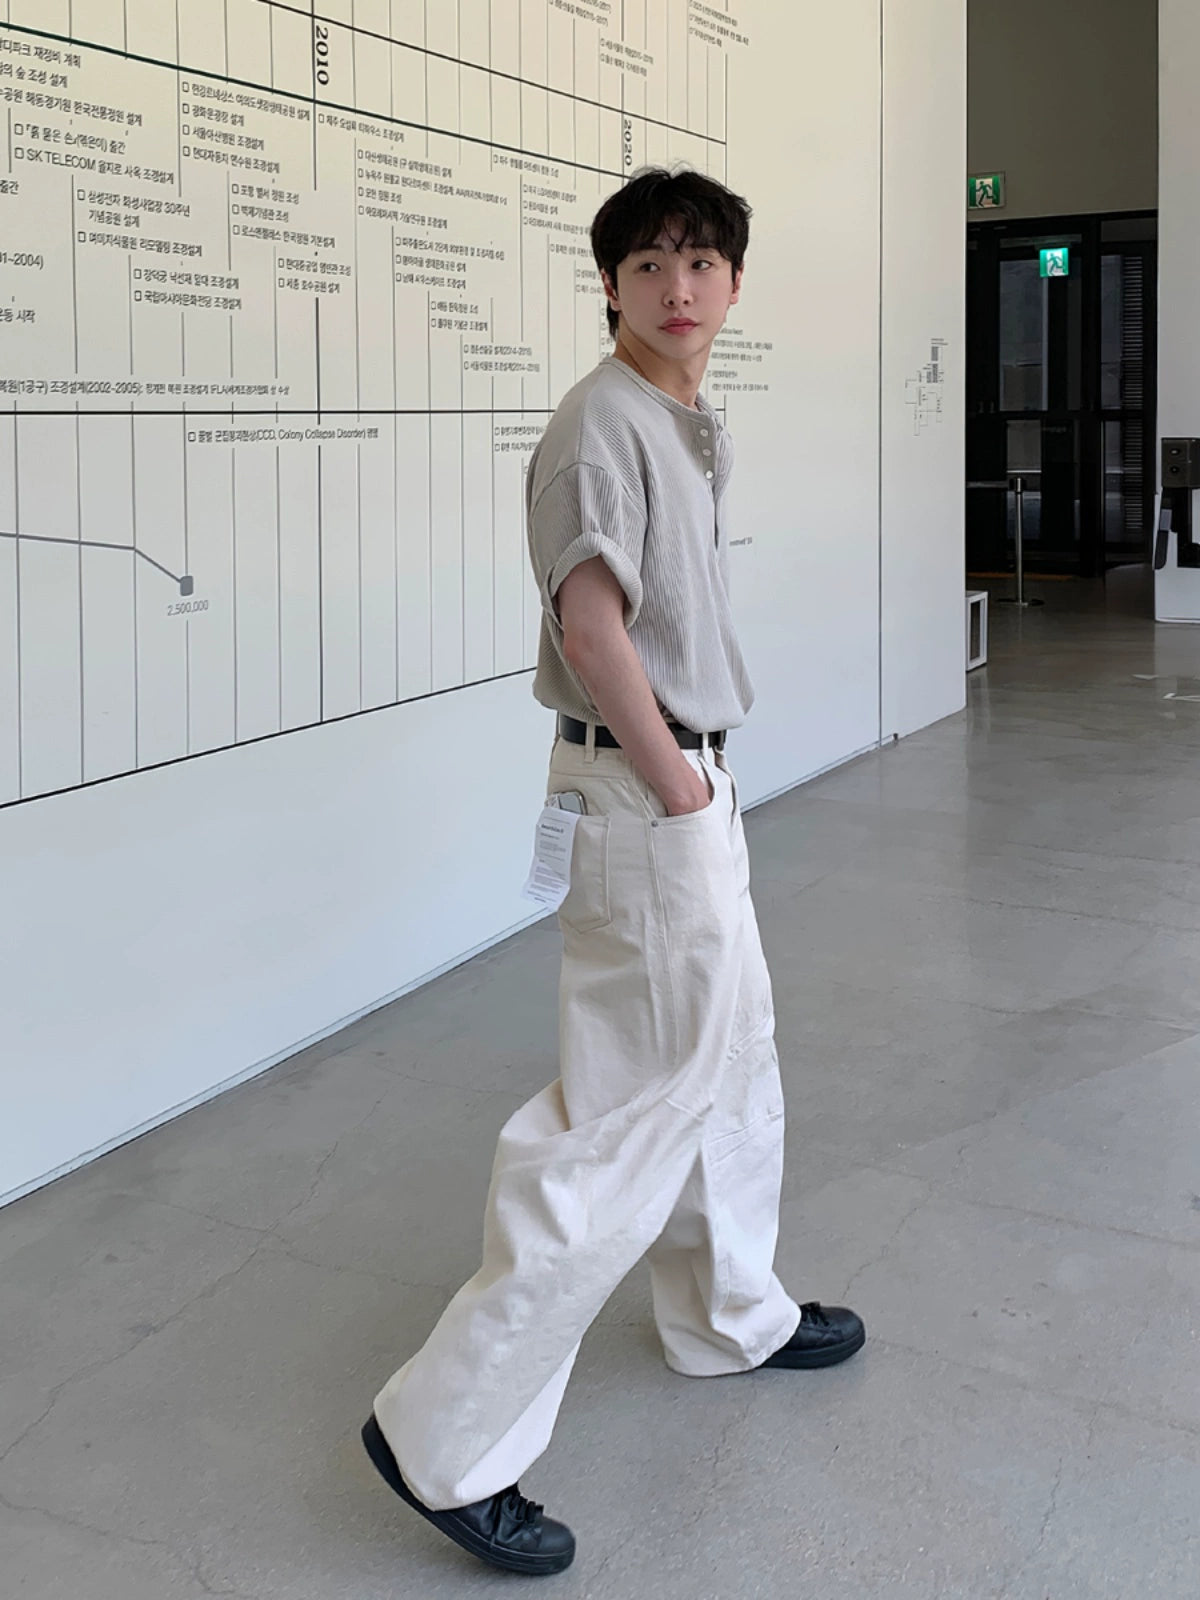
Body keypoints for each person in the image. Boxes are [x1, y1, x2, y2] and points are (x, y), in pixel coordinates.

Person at [361, 166, 866, 1578]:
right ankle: (444, 1438)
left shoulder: (683, 419)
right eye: (649, 265)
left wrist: (700, 781)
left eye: (701, 263)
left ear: (735, 284)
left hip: (686, 783)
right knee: (624, 1118)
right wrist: (678, 786)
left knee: (734, 1064)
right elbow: (594, 633)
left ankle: (728, 1316)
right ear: (610, 286)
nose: (678, 287)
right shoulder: (600, 425)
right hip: (650, 794)